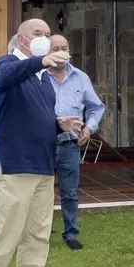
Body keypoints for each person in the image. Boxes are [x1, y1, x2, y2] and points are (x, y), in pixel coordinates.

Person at [0, 18, 78, 267]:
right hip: (14, 165)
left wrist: (59, 125)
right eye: (38, 34)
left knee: (37, 235)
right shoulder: (6, 65)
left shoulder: (44, 81)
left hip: (43, 167)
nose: (44, 38)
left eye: (48, 34)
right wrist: (39, 60)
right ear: (21, 40)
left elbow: (33, 116)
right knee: (7, 235)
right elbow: (10, 75)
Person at [46, 34, 106, 251]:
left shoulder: (80, 77)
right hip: (42, 145)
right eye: (56, 48)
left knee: (69, 192)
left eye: (64, 47)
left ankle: (70, 233)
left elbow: (96, 107)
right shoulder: (39, 76)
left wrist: (90, 128)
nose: (61, 51)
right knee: (40, 191)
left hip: (70, 146)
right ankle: (38, 232)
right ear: (47, 51)